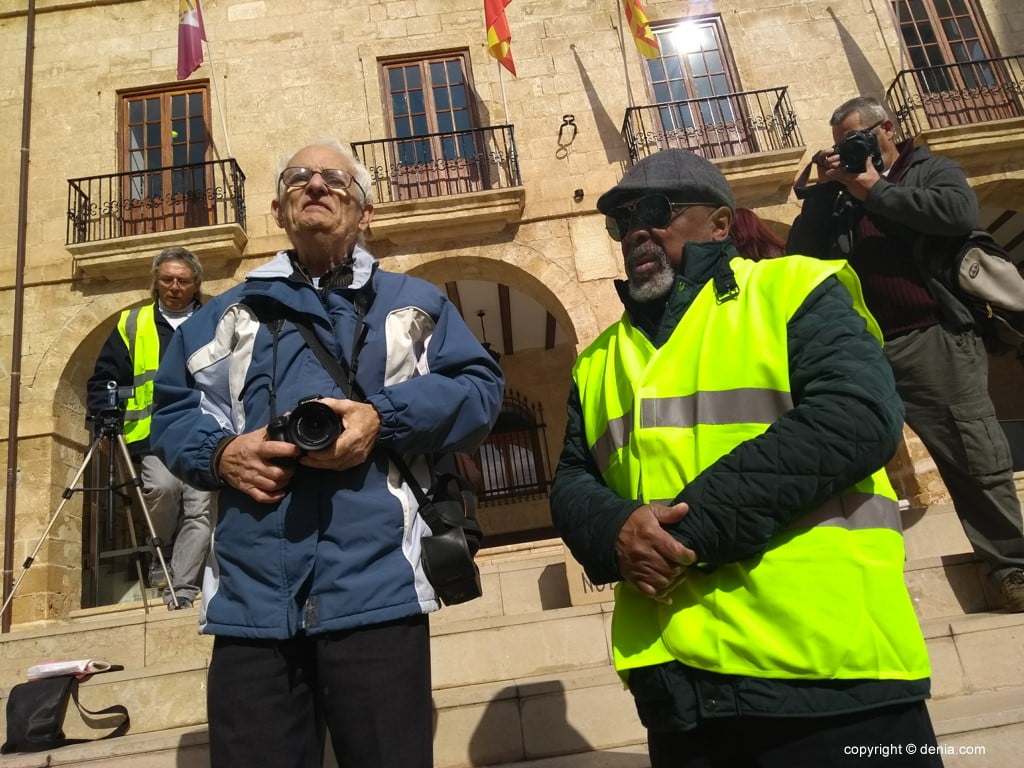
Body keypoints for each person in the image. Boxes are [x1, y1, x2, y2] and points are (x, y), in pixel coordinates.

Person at [551, 148, 941, 766]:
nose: (636, 230)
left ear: (721, 225)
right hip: (680, 699)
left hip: (828, 676)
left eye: (656, 209)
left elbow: (858, 415)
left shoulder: (792, 288)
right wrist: (615, 530)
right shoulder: (597, 360)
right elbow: (572, 478)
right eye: (621, 220)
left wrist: (688, 530)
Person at [150, 138, 503, 768]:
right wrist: (221, 452)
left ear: (364, 212)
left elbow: (480, 390)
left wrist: (381, 419)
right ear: (279, 211)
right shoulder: (230, 313)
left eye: (335, 179)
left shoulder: (415, 305)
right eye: (299, 179)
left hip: (378, 593)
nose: (316, 185)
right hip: (252, 605)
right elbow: (173, 409)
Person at [788, 95, 1024, 611]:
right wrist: (824, 194)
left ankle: (1012, 568)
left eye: (855, 139)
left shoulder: (929, 169)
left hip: (933, 337)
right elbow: (802, 256)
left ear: (887, 129)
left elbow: (956, 213)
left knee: (972, 456)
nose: (848, 152)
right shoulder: (841, 195)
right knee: (846, 462)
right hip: (867, 350)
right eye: (839, 146)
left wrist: (877, 189)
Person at [87, 247, 211, 610]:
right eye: (167, 279)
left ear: (196, 284)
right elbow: (104, 378)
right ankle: (164, 550)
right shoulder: (131, 323)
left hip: (204, 428)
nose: (174, 286)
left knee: (200, 508)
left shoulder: (213, 319)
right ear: (156, 282)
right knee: (161, 489)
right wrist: (104, 422)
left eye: (182, 280)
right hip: (154, 431)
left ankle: (183, 585)